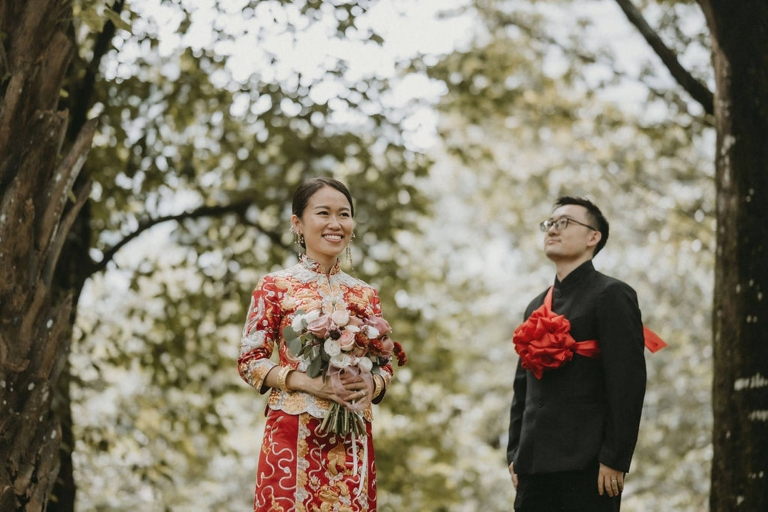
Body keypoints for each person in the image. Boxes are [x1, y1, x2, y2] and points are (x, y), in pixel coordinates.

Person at [238, 177, 395, 511]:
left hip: (352, 439)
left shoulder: (366, 294)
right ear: (298, 223)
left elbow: (387, 363)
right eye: (324, 213)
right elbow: (250, 361)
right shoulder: (274, 286)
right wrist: (309, 383)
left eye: (344, 214)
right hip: (292, 438)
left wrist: (373, 381)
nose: (336, 224)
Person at [507, 196, 648, 512]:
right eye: (550, 224)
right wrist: (514, 452)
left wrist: (615, 457)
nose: (553, 230)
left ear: (592, 237)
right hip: (532, 467)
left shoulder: (612, 294)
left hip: (589, 466)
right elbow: (522, 388)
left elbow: (628, 382)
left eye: (565, 222)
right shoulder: (535, 305)